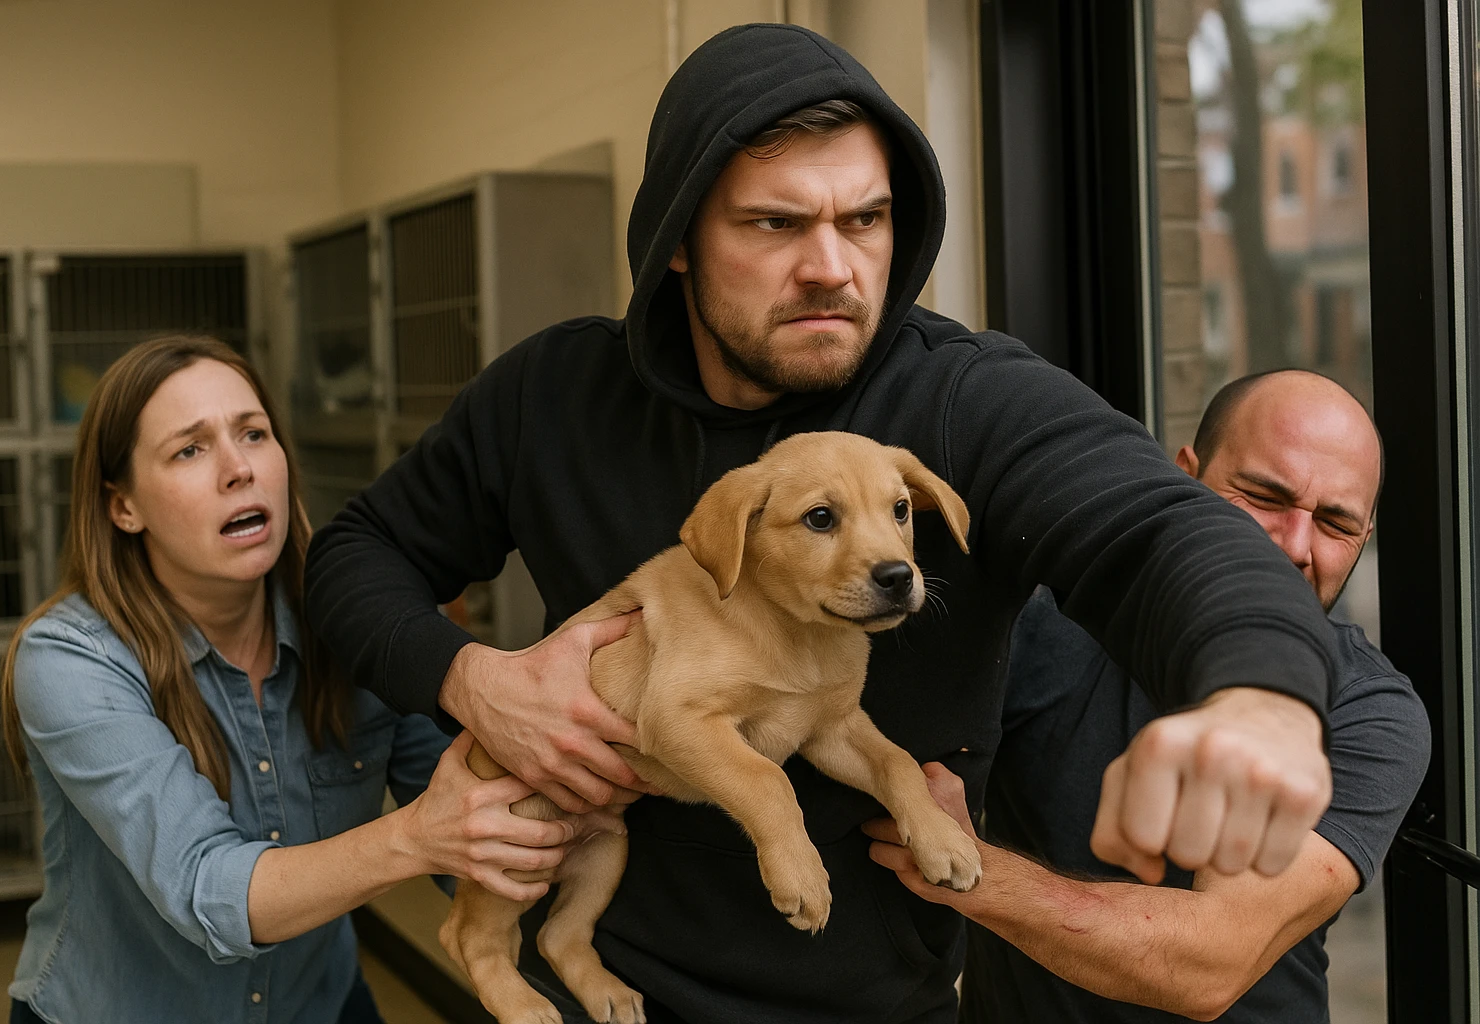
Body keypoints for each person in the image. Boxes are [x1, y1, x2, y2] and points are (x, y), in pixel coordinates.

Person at [305, 25, 1340, 1024]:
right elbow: (354, 556)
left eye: (866, 220)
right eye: (775, 223)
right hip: (602, 982)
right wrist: (474, 680)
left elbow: (1161, 526)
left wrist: (1263, 699)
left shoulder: (963, 402)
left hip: (877, 1001)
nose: (833, 268)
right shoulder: (553, 394)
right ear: (676, 241)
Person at [0, 336, 590, 1024]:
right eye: (189, 449)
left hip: (322, 1004)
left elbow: (465, 817)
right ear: (122, 506)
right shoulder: (70, 660)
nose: (238, 469)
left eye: (253, 433)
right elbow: (204, 888)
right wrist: (417, 836)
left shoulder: (355, 625)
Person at [867, 369, 1429, 1022]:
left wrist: (967, 868)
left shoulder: (1375, 711)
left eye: (1335, 523)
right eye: (1265, 496)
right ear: (1184, 480)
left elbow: (1207, 966)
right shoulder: (1044, 629)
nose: (1295, 547)